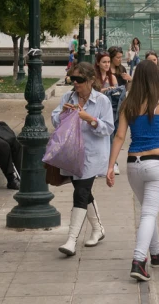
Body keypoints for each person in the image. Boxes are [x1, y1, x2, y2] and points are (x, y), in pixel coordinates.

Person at [107, 59, 159, 282]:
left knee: (147, 211)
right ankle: (138, 260)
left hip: (134, 164)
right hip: (158, 163)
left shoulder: (127, 104)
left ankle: (156, 252)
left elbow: (120, 137)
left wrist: (110, 165)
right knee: (149, 213)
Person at [51, 61, 115, 256]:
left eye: (79, 79)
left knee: (80, 192)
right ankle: (98, 229)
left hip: (92, 155)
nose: (75, 83)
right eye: (73, 79)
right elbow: (55, 120)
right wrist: (63, 114)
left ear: (90, 80)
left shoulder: (102, 101)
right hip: (71, 154)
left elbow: (109, 128)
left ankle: (71, 240)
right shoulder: (68, 97)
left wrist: (91, 120)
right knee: (83, 192)